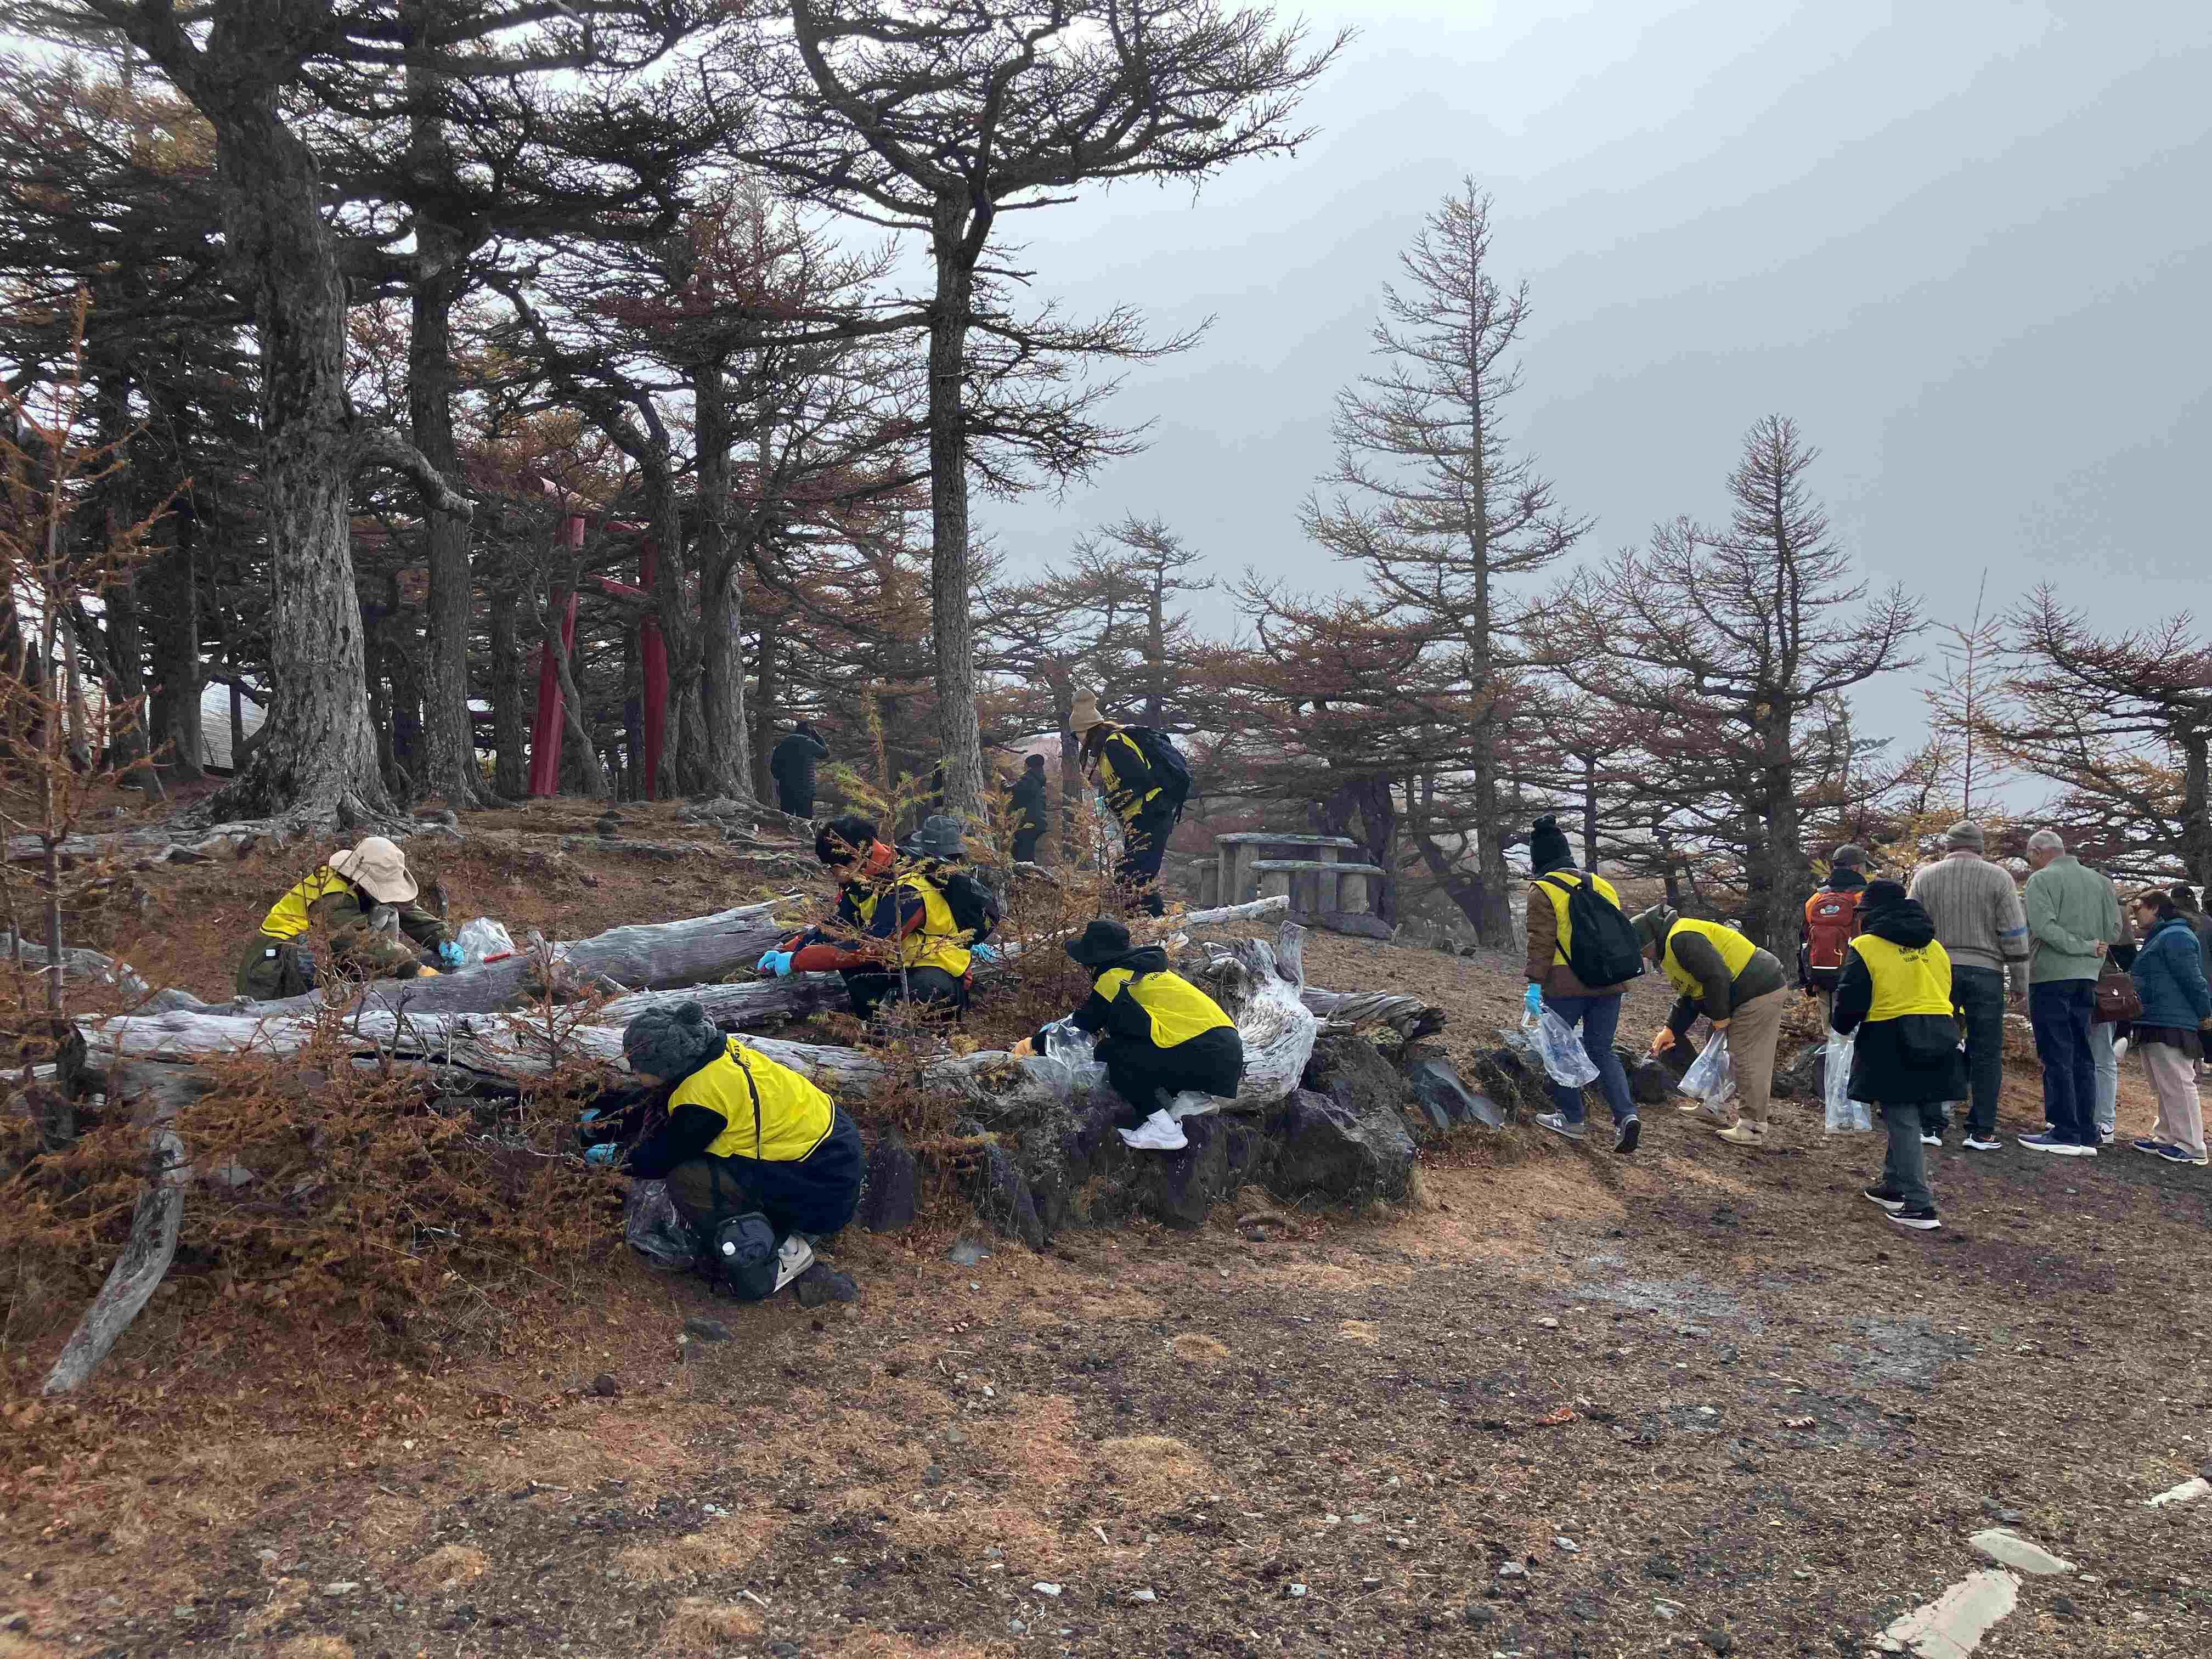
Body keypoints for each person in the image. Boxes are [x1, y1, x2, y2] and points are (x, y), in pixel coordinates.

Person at [595, 1002, 864, 1299]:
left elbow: (657, 1160)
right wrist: (604, 1119)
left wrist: (614, 1159)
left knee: (687, 1177)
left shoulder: (704, 1100)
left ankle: (779, 1246)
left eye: (637, 1066)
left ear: (664, 1067)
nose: (633, 1071)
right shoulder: (712, 1054)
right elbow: (652, 1099)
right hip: (833, 1148)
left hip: (820, 1187)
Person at [1012, 917, 1244, 1149]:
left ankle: (1165, 1129)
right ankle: (1192, 1100)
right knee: (1134, 1045)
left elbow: (1080, 1028)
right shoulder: (1154, 973)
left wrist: (1033, 1044)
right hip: (1228, 1051)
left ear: (1093, 961)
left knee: (1111, 1052)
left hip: (1203, 1053)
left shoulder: (1114, 978)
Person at [1831, 880, 1964, 1233]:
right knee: (1906, 1114)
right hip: (1940, 1031)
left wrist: (1841, 1026)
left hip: (1891, 1035)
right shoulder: (1935, 946)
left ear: (1871, 914)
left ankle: (1921, 1206)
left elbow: (1851, 995)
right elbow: (1948, 987)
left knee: (1902, 1118)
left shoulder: (1866, 945)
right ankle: (1893, 1186)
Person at [759, 814, 971, 1019]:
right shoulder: (866, 883)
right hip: (901, 965)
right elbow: (839, 926)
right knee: (857, 971)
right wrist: (788, 949)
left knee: (923, 988)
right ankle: (876, 1027)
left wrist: (798, 961)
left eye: (834, 869)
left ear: (853, 861)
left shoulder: (909, 889)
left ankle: (925, 1040)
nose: (835, 877)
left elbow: (870, 949)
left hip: (940, 973)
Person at [1521, 815, 1643, 1154]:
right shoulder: (1601, 884)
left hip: (1566, 984)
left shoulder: (1542, 889)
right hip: (1609, 983)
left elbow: (1541, 942)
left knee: (1558, 1046)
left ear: (1539, 858)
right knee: (1601, 1049)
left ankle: (1571, 1118)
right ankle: (1626, 1116)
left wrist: (1534, 984)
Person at [1909, 821, 2031, 1153]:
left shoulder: (1925, 877)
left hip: (1936, 970)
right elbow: (2014, 933)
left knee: (1934, 1043)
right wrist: (2020, 981)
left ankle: (1931, 1124)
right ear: (1980, 847)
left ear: (1948, 846)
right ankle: (1981, 1131)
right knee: (1987, 1051)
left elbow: (1910, 926)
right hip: (1987, 972)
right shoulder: (1999, 878)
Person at [1635, 906, 1791, 1147]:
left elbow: (1717, 975)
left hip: (1760, 989)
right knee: (1717, 1045)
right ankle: (1713, 1106)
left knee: (1746, 1056)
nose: (1646, 956)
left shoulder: (1682, 939)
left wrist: (1721, 1018)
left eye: (1644, 950)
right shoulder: (1673, 946)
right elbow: (1690, 993)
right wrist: (1671, 1029)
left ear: (1651, 940)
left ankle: (1752, 1127)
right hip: (1742, 991)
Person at [235, 836, 458, 998]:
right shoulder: (334, 897)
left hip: (293, 956)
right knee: (325, 950)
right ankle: (329, 1004)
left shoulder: (358, 886)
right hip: (273, 968)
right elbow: (361, 945)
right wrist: (415, 968)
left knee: (387, 913)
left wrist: (441, 938)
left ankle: (375, 980)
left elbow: (404, 908)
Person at [2017, 830, 2123, 1156]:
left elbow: (2043, 928)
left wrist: (2081, 946)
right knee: (2083, 1052)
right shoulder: (2101, 882)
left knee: (2056, 1052)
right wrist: (2095, 950)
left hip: (2050, 976)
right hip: (2088, 977)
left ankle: (2064, 1130)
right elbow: (2116, 930)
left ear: (2038, 852)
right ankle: (2086, 1131)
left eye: (2029, 857)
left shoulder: (2041, 881)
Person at [2125, 887, 2211, 1166]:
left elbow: (2193, 978)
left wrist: (2205, 1013)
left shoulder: (2176, 936)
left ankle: (2192, 1146)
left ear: (2156, 908)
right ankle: (2167, 1137)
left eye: (2138, 907)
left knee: (2177, 1082)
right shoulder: (2164, 936)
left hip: (2172, 1019)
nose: (2134, 914)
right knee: (2163, 1082)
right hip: (2156, 1016)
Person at [1070, 692, 1176, 918]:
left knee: (1138, 874)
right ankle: (1141, 922)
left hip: (1151, 814)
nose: (1078, 741)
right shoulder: (1109, 747)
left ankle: (1160, 925)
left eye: (1077, 735)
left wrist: (1112, 801)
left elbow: (1141, 781)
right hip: (1141, 816)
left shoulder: (1114, 745)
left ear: (1086, 731)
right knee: (1129, 873)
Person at [1801, 844, 1871, 1025]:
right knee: (1859, 1031)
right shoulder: (1865, 898)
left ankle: (1832, 1054)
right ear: (1856, 867)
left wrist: (1808, 978)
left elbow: (1806, 938)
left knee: (1831, 1033)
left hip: (1823, 976)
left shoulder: (1815, 899)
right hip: (1859, 976)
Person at [769, 721, 830, 820]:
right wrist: (818, 737)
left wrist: (782, 778)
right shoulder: (809, 743)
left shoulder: (783, 744)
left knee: (786, 820)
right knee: (806, 821)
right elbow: (825, 754)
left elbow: (774, 768)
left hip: (786, 789)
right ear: (809, 733)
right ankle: (805, 836)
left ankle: (787, 835)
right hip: (805, 790)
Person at [1008, 753, 1049, 864]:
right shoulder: (1038, 780)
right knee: (1024, 852)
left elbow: (1011, 791)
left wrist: (1002, 782)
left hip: (1028, 823)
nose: (1024, 767)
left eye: (1025, 765)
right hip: (1036, 823)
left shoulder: (1029, 779)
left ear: (1029, 766)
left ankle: (1027, 877)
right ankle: (1028, 876)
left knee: (1023, 855)